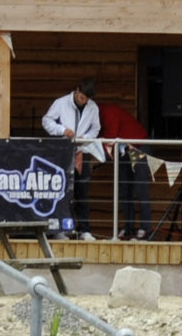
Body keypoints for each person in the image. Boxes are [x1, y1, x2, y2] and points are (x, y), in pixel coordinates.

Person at [40, 78, 100, 231]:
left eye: (87, 99)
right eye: (82, 97)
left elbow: (95, 128)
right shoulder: (61, 103)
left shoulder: (93, 107)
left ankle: (84, 229)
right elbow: (46, 121)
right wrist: (62, 131)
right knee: (63, 190)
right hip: (63, 152)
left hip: (81, 152)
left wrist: (85, 139)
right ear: (77, 90)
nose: (83, 101)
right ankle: (63, 228)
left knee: (82, 191)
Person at [97, 91, 152, 239]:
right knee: (124, 189)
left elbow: (110, 137)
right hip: (122, 150)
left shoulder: (109, 112)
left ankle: (145, 228)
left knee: (141, 189)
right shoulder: (99, 116)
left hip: (137, 146)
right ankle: (129, 228)